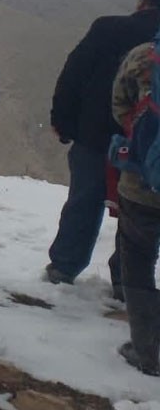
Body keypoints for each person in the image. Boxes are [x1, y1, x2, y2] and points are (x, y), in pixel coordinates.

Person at [46, 0, 160, 291]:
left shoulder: (108, 28)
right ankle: (128, 281)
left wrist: (62, 121)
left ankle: (63, 267)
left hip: (96, 135)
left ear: (143, 1)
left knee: (84, 201)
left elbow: (74, 74)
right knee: (138, 213)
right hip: (149, 146)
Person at [111, 39, 160, 376]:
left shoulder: (144, 56)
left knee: (138, 259)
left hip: (142, 181)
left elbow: (120, 104)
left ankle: (147, 352)